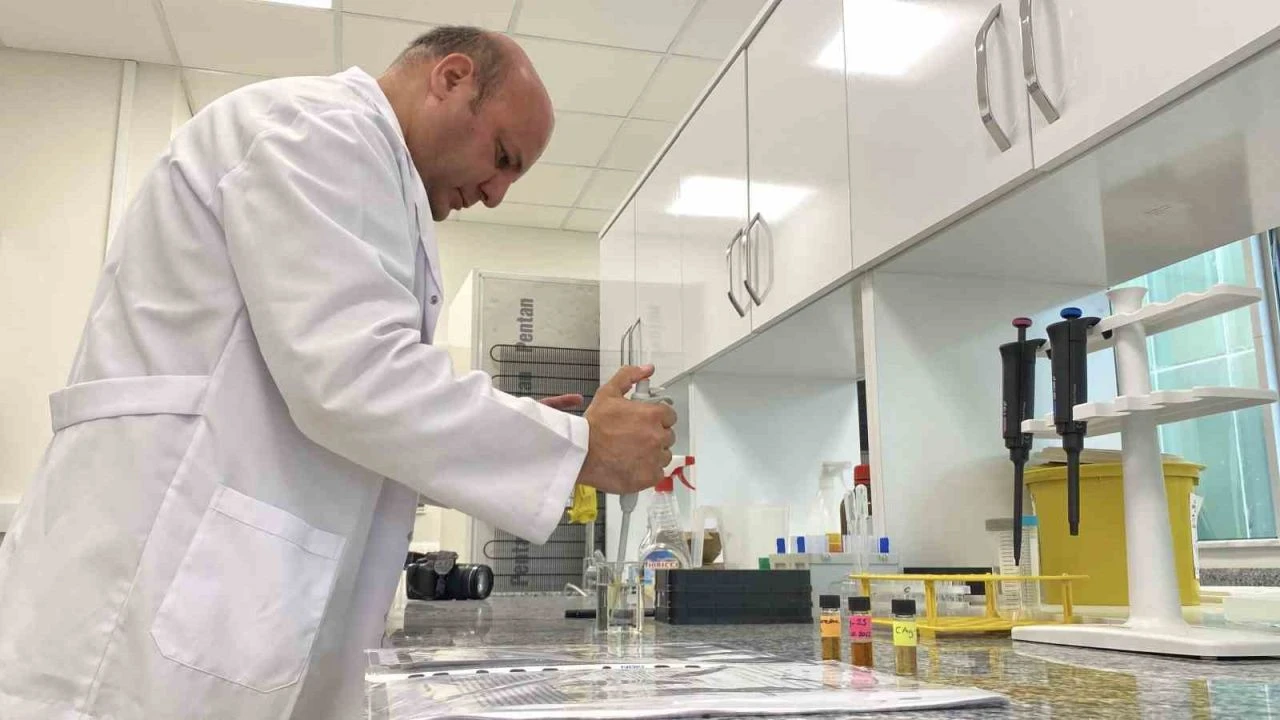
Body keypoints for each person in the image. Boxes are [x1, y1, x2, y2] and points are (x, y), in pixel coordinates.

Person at [0, 26, 675, 719]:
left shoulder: (364, 170)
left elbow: (329, 406)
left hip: (213, 596)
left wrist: (520, 430)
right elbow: (352, 379)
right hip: (142, 597)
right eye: (503, 157)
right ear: (451, 78)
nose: (497, 193)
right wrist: (579, 447)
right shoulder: (317, 128)